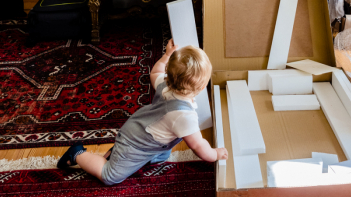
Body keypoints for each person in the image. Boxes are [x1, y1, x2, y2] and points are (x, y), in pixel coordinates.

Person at [57, 39, 228, 185]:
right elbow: (199, 146)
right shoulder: (184, 116)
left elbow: (156, 72)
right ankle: (77, 153)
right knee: (110, 176)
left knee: (161, 157)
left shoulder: (167, 83)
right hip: (136, 144)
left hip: (145, 129)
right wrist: (215, 154)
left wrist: (166, 55)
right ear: (200, 87)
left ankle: (116, 154)